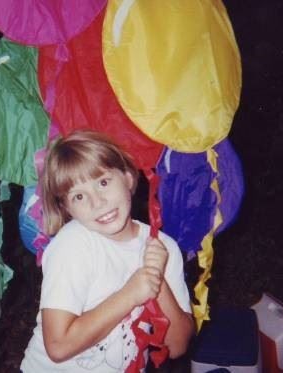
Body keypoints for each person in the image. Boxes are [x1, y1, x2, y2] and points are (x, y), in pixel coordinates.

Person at [21, 130, 194, 372]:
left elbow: (177, 345)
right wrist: (131, 294)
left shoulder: (163, 247)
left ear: (128, 178)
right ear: (67, 208)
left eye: (103, 182)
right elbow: (58, 346)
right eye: (79, 196)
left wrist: (157, 279)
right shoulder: (73, 244)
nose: (97, 202)